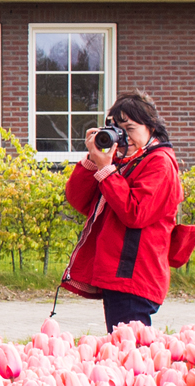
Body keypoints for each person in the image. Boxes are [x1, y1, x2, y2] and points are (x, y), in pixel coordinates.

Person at [62, 89, 183, 332]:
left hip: (135, 275)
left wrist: (107, 171)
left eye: (130, 130)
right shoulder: (124, 162)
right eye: (117, 129)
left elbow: (135, 212)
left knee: (129, 355)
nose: (123, 137)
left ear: (151, 128)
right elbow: (78, 200)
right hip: (120, 275)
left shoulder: (159, 162)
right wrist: (93, 160)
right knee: (123, 351)